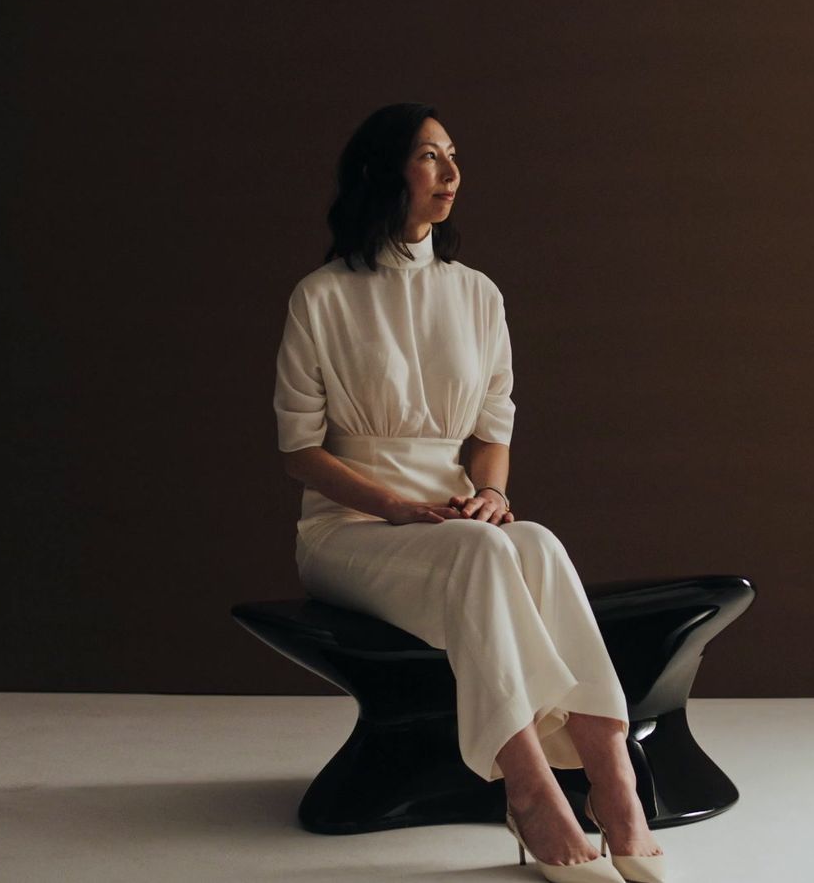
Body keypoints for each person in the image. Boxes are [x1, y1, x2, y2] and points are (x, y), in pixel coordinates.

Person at [272, 103, 669, 883]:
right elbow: (300, 453)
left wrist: (490, 494)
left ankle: (611, 775)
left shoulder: (479, 295)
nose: (451, 173)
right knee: (480, 556)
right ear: (384, 171)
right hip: (349, 530)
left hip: (454, 517)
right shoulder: (319, 297)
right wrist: (391, 506)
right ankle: (530, 788)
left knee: (535, 541)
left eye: (453, 155)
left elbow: (492, 434)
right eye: (428, 157)